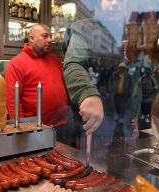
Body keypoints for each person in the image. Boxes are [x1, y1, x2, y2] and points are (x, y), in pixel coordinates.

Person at [63, 0, 129, 135]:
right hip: (90, 115)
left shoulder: (130, 32)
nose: (115, 3)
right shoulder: (85, 28)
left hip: (123, 117)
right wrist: (87, 94)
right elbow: (74, 64)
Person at [5, 24, 70, 145]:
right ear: (31, 38)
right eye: (45, 36)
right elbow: (12, 101)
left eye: (50, 36)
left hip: (62, 126)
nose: (50, 40)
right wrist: (21, 130)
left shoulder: (55, 60)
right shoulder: (17, 64)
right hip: (35, 129)